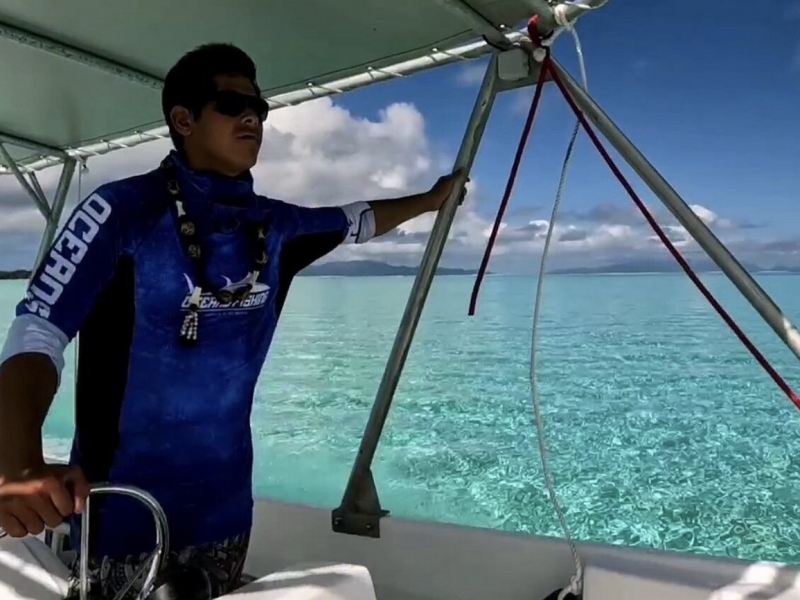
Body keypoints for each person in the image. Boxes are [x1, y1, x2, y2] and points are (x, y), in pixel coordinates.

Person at [0, 43, 464, 598]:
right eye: (231, 103)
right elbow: (38, 329)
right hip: (121, 508)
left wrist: (432, 201)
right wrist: (19, 461)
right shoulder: (119, 213)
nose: (253, 116)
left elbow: (358, 220)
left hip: (224, 510)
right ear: (183, 119)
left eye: (259, 108)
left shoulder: (278, 227)